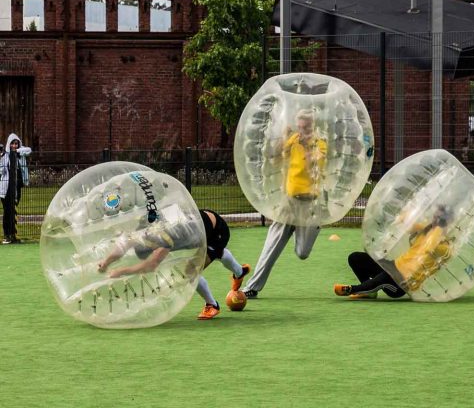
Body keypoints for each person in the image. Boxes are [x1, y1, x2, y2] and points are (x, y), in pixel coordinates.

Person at [97, 209, 251, 320]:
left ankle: (212, 305)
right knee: (215, 254)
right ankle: (240, 272)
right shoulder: (145, 230)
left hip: (216, 232)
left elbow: (151, 265)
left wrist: (121, 271)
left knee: (190, 271)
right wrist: (105, 262)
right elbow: (123, 246)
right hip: (201, 226)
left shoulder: (163, 240)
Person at [240, 109, 326, 299]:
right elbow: (275, 158)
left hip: (310, 204)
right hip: (289, 201)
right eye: (300, 127)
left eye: (306, 127)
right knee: (272, 245)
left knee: (302, 252)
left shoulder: (320, 144)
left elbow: (314, 166)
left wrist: (307, 148)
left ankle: (300, 229)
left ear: (313, 126)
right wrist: (283, 139)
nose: (302, 131)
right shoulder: (293, 139)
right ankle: (252, 287)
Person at [333, 205, 454, 299]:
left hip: (402, 283)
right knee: (356, 258)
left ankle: (354, 289)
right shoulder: (426, 231)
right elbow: (409, 226)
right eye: (435, 217)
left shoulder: (445, 247)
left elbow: (429, 246)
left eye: (439, 220)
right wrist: (407, 214)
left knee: (384, 278)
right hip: (394, 266)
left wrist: (439, 228)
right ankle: (369, 292)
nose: (435, 221)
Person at [0, 133, 31, 244]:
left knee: (13, 211)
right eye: (12, 143)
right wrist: (1, 159)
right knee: (7, 212)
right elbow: (1, 171)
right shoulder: (5, 155)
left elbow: (29, 150)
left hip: (16, 187)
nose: (14, 145)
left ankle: (13, 235)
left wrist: (16, 151)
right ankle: (7, 235)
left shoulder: (20, 153)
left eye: (16, 143)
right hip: (6, 189)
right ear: (9, 144)